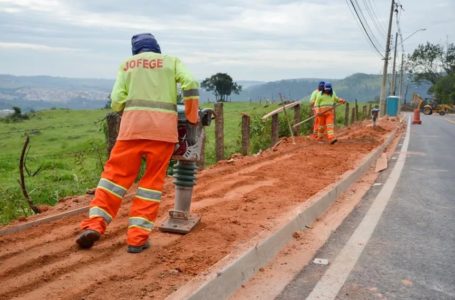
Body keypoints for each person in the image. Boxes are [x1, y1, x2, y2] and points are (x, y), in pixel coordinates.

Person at [76, 33, 199, 253]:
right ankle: (137, 239)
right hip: (162, 134)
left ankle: (95, 224)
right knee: (150, 186)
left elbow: (116, 100)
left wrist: (128, 112)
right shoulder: (171, 61)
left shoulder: (127, 65)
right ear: (157, 48)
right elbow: (190, 83)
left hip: (131, 132)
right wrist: (191, 115)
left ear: (135, 51)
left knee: (112, 180)